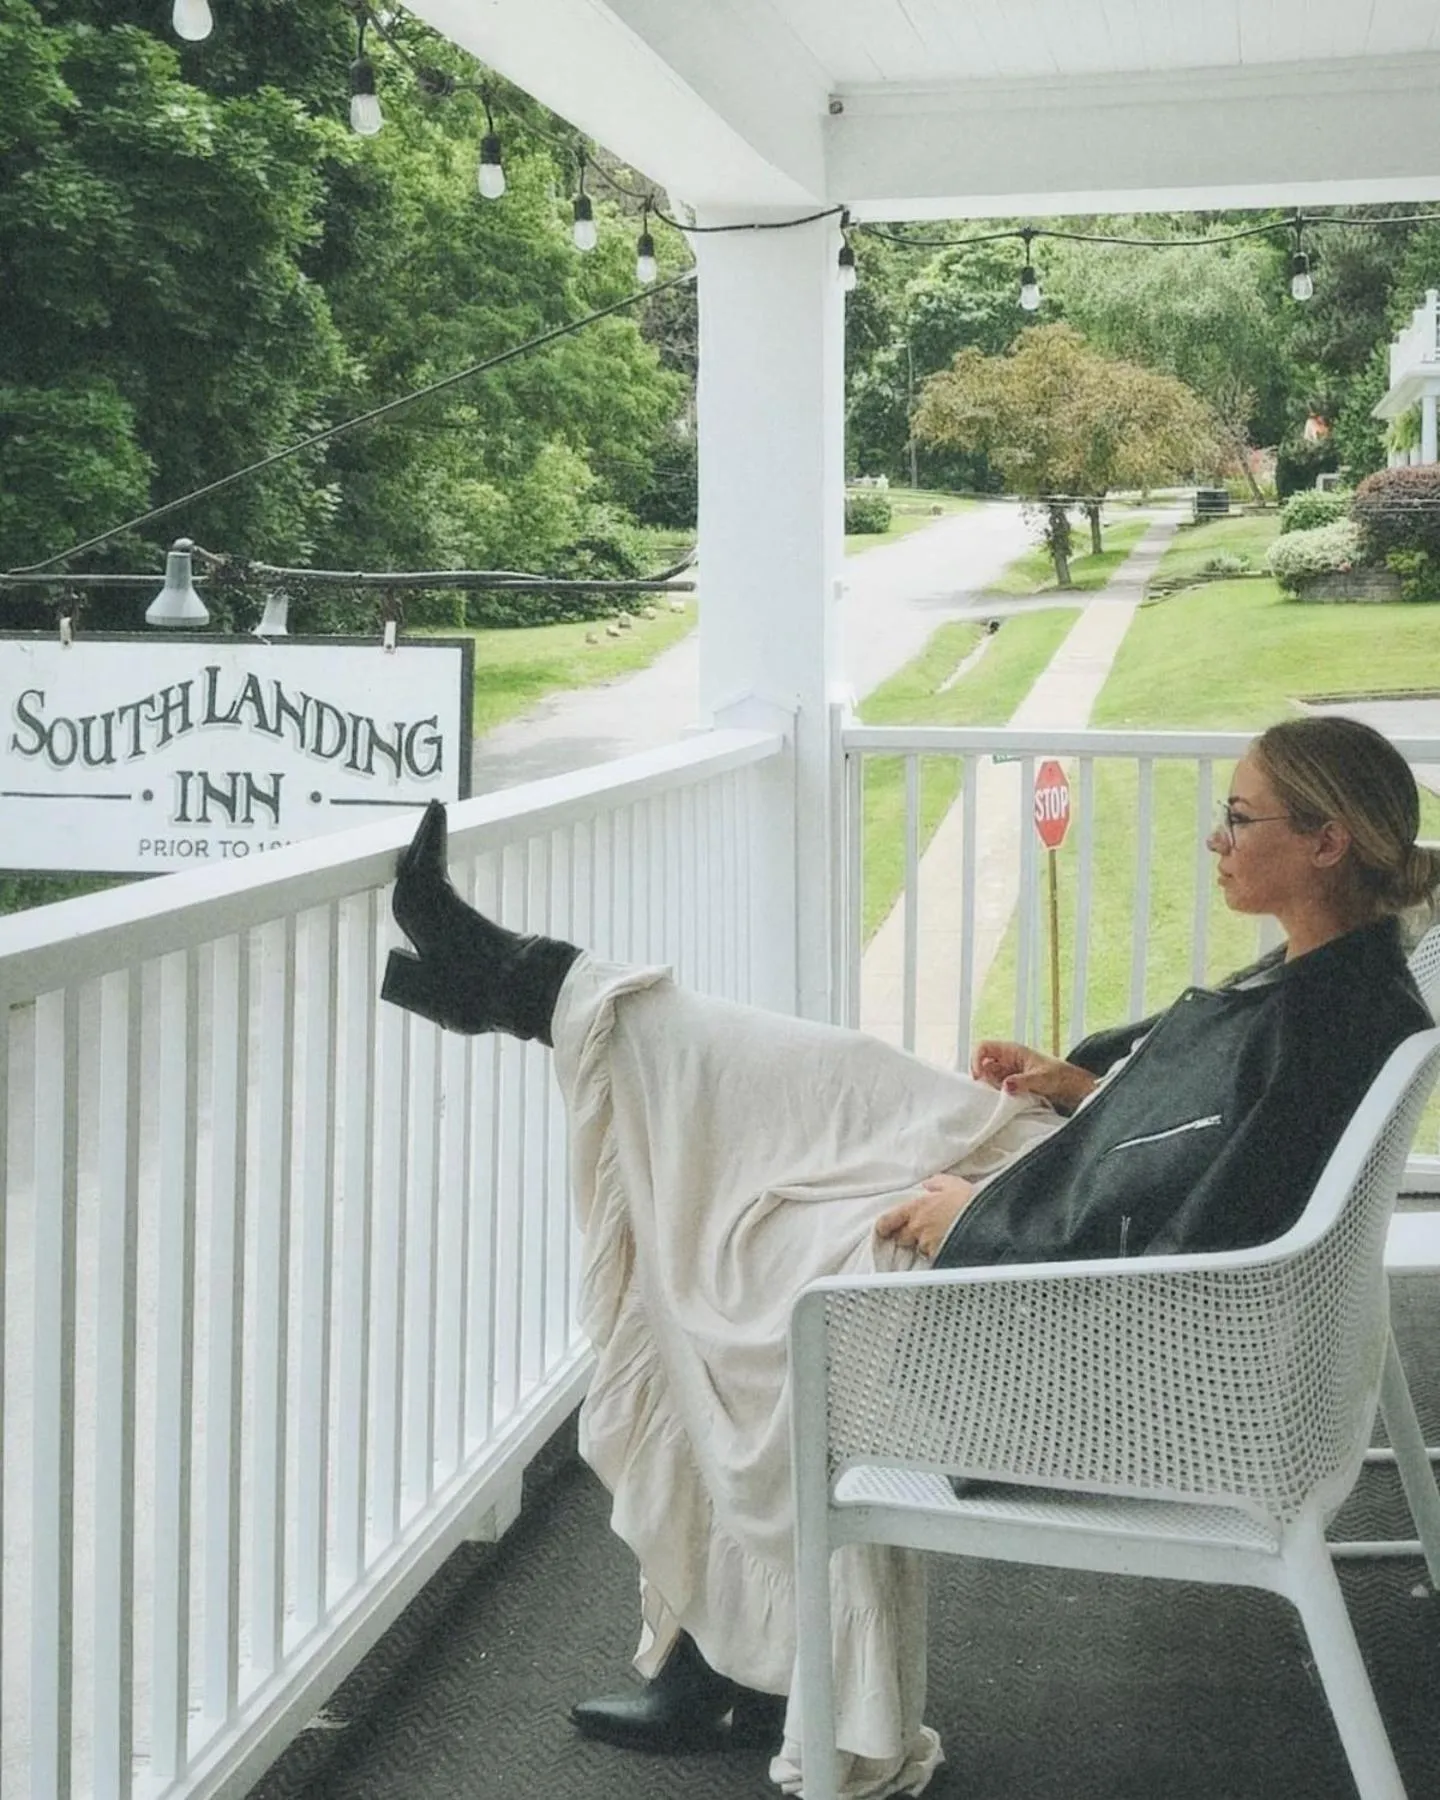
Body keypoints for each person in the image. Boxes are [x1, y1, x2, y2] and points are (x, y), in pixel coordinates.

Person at [381, 716, 1437, 1800]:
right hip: (1065, 1218)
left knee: (737, 1249)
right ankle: (533, 987)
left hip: (1074, 1334)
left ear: (1328, 842)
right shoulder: (1343, 976)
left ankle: (524, 988)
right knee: (823, 1095)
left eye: (1240, 817)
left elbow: (1202, 1246)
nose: (1216, 838)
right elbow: (1210, 1142)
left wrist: (977, 1217)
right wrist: (1083, 1090)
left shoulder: (1333, 1024)